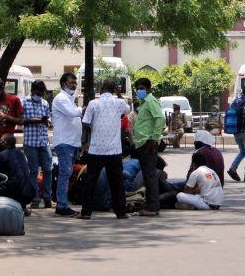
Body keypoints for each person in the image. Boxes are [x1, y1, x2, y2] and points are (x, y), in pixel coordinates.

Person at [78, 78, 130, 220]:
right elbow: (128, 109)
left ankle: (86, 212)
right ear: (114, 90)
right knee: (117, 182)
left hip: (96, 149)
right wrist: (119, 95)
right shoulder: (119, 103)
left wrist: (96, 128)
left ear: (101, 89)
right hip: (114, 150)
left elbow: (86, 122)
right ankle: (121, 212)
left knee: (90, 181)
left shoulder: (93, 103)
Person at [131, 77, 165, 217]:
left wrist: (154, 138)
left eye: (142, 88)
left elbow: (160, 118)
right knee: (147, 175)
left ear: (149, 89)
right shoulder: (144, 102)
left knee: (150, 175)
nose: (139, 91)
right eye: (138, 89)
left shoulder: (151, 101)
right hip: (142, 143)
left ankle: (153, 207)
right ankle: (151, 204)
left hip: (147, 143)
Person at [52, 72, 83, 217]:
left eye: (75, 82)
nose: (74, 85)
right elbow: (72, 113)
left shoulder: (69, 98)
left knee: (67, 173)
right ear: (64, 84)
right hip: (64, 142)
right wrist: (83, 109)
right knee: (65, 173)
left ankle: (63, 203)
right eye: (71, 82)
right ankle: (61, 206)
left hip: (72, 142)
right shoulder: (61, 98)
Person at [22, 80, 53, 209]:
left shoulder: (44, 103)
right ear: (33, 90)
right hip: (30, 141)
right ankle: (35, 199)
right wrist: (32, 120)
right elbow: (20, 120)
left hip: (43, 140)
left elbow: (48, 117)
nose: (39, 95)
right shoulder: (23, 102)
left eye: (41, 93)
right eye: (38, 92)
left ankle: (47, 198)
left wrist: (49, 122)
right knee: (33, 171)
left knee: (48, 169)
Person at [0, 133, 36, 211]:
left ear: (5, 142)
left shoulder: (1, 155)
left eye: (1, 139)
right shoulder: (21, 153)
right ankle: (22, 206)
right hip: (29, 193)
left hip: (14, 194)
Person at [0, 77, 23, 163]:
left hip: (6, 141)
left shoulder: (14, 100)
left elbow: (20, 121)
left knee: (7, 168)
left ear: (2, 87)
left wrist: (5, 116)